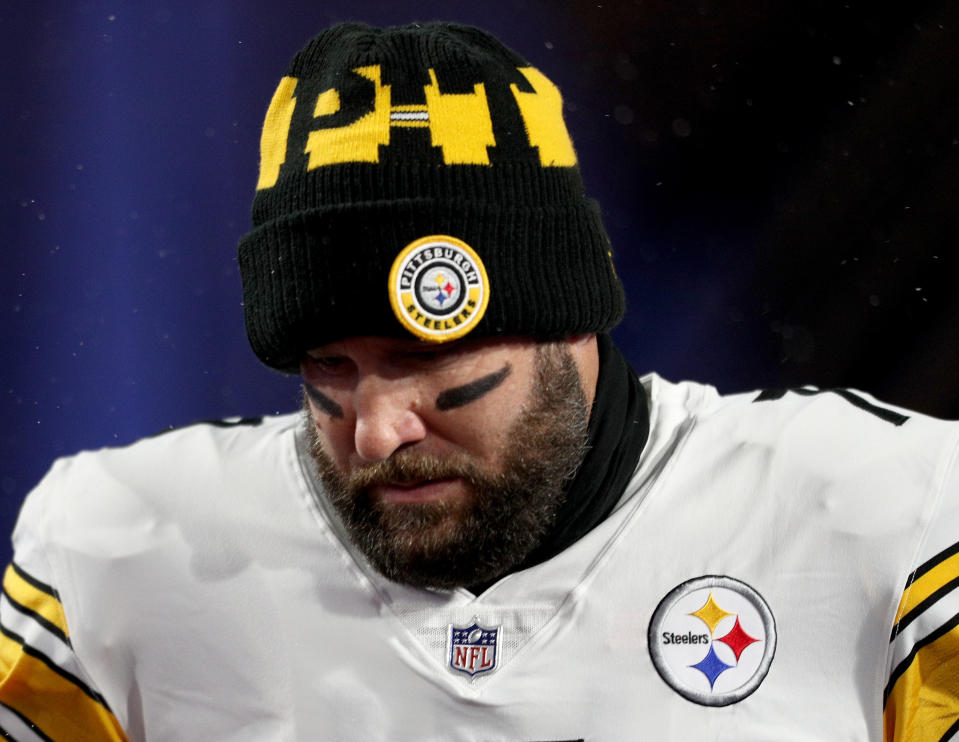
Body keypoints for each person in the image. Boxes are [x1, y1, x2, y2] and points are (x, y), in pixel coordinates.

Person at [0, 21, 956, 742]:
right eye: (327, 368)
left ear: (570, 319)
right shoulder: (120, 552)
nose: (374, 432)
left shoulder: (877, 515)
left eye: (423, 361)